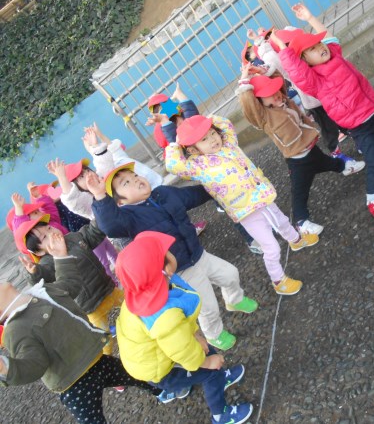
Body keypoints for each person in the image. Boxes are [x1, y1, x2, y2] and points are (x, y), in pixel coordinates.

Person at [87, 163, 257, 351]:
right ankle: (214, 335)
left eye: (134, 176)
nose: (135, 180)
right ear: (120, 202)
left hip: (199, 254)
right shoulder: (128, 217)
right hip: (181, 269)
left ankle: (234, 299)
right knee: (207, 306)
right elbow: (110, 225)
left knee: (230, 274)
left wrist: (215, 187)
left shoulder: (164, 194)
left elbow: (192, 195)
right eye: (126, 183)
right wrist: (100, 196)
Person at [275, 7, 374, 223]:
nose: (321, 48)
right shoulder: (313, 80)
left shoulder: (334, 55)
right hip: (358, 124)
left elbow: (329, 36)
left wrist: (310, 18)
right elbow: (295, 70)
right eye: (313, 49)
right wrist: (282, 48)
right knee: (373, 162)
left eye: (319, 44)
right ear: (305, 61)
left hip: (371, 108)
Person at [0, 230, 161, 424]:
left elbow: (70, 285)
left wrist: (61, 256)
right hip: (74, 384)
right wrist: (6, 368)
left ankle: (162, 390)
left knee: (133, 375)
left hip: (96, 358)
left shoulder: (40, 292)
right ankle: (161, 388)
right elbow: (34, 364)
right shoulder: (15, 330)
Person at [165, 114, 319, 296]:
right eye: (204, 139)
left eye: (213, 133)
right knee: (271, 247)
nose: (213, 139)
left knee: (282, 221)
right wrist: (176, 143)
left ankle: (296, 240)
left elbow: (227, 125)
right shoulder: (197, 166)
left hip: (262, 196)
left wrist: (210, 119)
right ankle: (279, 280)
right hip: (246, 211)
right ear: (192, 149)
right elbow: (173, 165)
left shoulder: (229, 144)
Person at [115, 231, 254, 424]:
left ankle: (220, 376)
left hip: (162, 350)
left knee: (207, 351)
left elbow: (181, 326)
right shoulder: (163, 315)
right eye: (168, 251)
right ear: (165, 269)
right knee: (210, 372)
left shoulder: (149, 289)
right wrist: (206, 363)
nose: (172, 251)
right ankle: (221, 415)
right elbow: (181, 350)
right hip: (160, 369)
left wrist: (197, 336)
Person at [237, 65, 366, 234]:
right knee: (300, 192)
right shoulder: (263, 117)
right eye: (268, 94)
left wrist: (265, 73)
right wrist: (244, 80)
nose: (275, 94)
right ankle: (301, 222)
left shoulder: (283, 99)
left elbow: (279, 80)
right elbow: (248, 105)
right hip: (298, 160)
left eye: (275, 90)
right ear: (259, 102)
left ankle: (344, 167)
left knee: (326, 162)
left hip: (311, 148)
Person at [148, 84, 263, 253]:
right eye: (161, 110)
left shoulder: (183, 117)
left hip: (223, 166)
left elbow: (193, 114)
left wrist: (180, 96)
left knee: (246, 195)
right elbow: (172, 144)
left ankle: (260, 227)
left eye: (166, 107)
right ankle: (252, 238)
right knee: (231, 206)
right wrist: (166, 122)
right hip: (209, 173)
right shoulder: (166, 130)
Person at [13, 214, 123, 355]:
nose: (51, 233)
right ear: (39, 251)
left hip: (108, 288)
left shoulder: (74, 238)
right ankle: (109, 358)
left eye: (49, 228)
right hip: (91, 306)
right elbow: (43, 280)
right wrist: (34, 273)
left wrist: (100, 216)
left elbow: (92, 233)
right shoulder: (48, 262)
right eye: (44, 237)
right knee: (105, 338)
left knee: (132, 309)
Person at [249, 16, 353, 162]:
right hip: (316, 103)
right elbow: (271, 59)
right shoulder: (287, 66)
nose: (291, 46)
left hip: (330, 95)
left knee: (345, 118)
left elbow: (300, 35)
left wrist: (290, 30)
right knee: (328, 128)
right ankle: (336, 152)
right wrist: (260, 42)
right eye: (286, 44)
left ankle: (357, 136)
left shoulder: (308, 53)